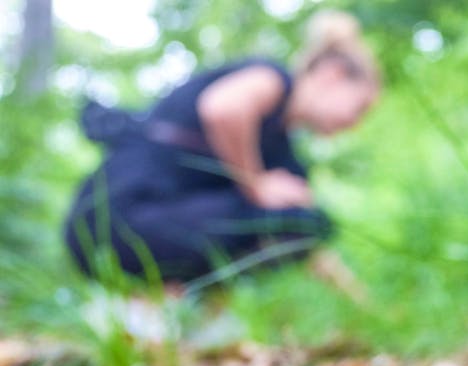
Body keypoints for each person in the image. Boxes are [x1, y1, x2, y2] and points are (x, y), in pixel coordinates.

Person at [63, 11, 379, 284]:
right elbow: (223, 108)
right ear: (332, 75)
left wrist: (369, 307)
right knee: (298, 219)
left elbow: (306, 239)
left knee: (306, 222)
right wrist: (255, 184)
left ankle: (178, 307)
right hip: (113, 217)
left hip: (160, 225)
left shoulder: (282, 157)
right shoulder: (273, 81)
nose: (355, 123)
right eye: (360, 107)